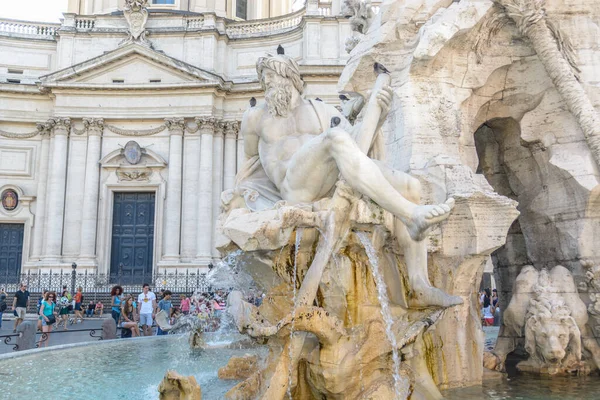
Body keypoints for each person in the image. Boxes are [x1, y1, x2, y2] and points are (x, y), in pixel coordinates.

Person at [234, 51, 461, 308]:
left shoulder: (319, 110)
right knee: (334, 137)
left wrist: (379, 116)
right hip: (293, 187)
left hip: (327, 180)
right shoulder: (255, 117)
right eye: (264, 79)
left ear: (291, 77)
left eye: (272, 77)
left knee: (411, 186)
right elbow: (250, 162)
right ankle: (411, 215)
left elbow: (357, 146)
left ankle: (420, 284)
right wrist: (245, 197)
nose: (267, 85)